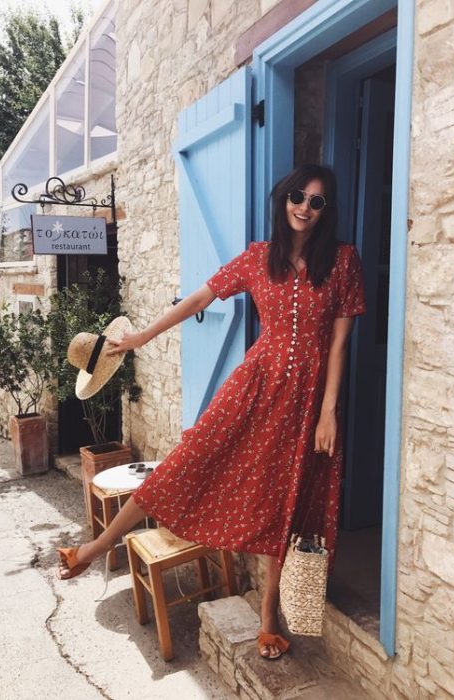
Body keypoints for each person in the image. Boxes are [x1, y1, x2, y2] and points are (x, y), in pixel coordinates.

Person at [57, 163, 366, 661]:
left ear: (326, 211)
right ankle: (97, 548)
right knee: (185, 462)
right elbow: (200, 296)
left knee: (286, 500)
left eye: (317, 202)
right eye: (298, 197)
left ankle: (269, 616)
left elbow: (338, 346)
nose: (305, 208)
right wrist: (140, 337)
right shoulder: (258, 258)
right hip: (254, 386)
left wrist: (328, 411)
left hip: (307, 402)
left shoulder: (344, 262)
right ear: (283, 199)